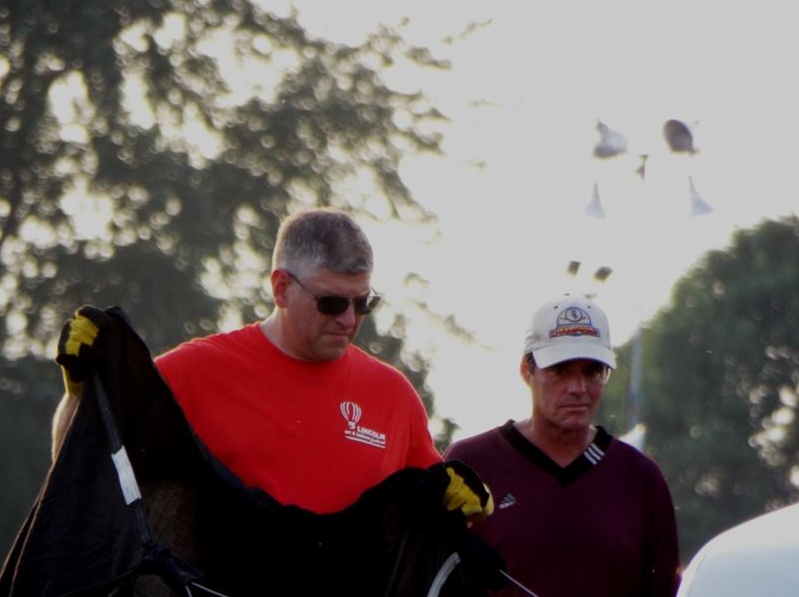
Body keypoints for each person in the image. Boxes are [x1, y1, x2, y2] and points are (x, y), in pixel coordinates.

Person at [52, 207, 493, 518]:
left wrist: (469, 504)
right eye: (331, 302)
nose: (348, 320)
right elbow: (77, 468)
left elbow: (430, 527)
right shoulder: (197, 371)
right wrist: (81, 391)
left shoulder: (393, 397)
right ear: (281, 288)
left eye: (363, 303)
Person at [445, 293, 681, 597]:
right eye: (560, 370)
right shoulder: (471, 464)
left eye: (593, 371)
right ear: (526, 370)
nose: (578, 388)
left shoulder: (641, 479)